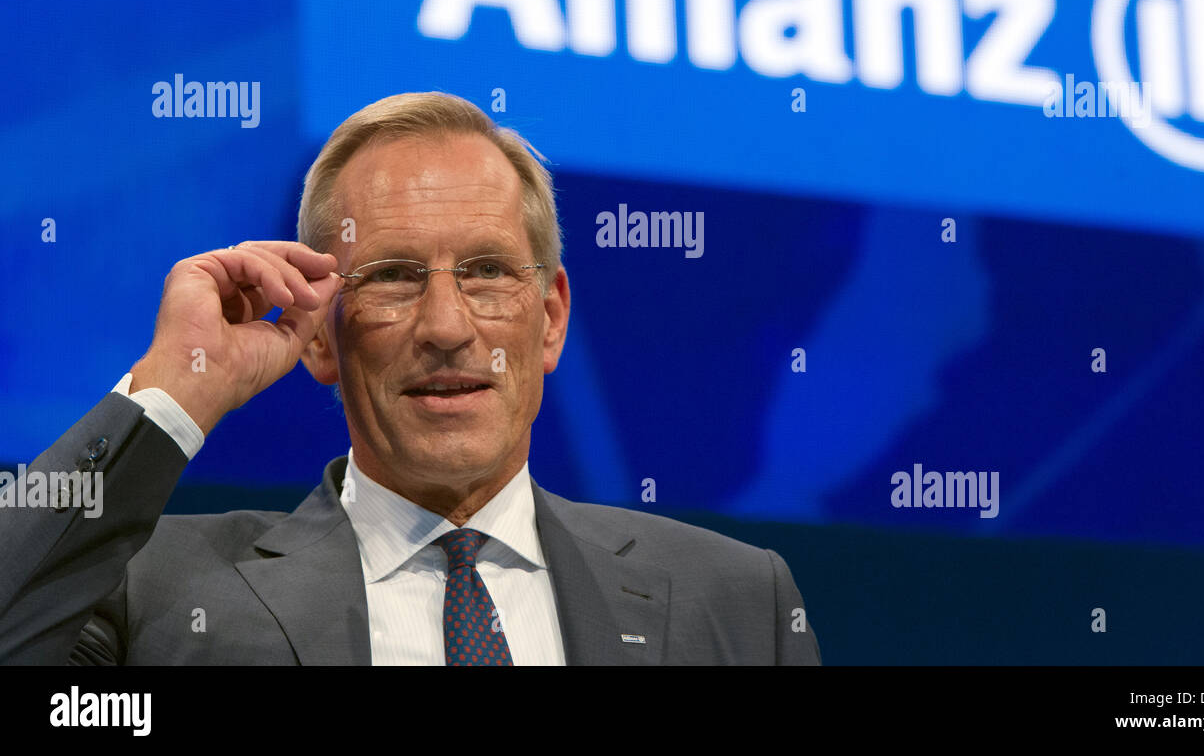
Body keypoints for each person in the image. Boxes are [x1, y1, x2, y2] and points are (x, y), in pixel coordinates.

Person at [0, 92, 821, 665]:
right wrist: (172, 386)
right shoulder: (156, 595)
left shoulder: (737, 602)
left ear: (551, 318)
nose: (446, 327)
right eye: (393, 276)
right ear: (321, 335)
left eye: (488, 272)